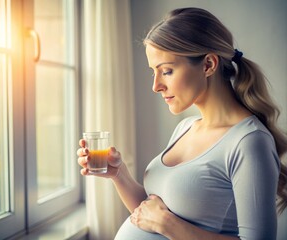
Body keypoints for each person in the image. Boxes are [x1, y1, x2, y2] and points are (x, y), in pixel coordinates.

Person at [77, 7, 287, 240]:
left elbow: (164, 222)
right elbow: (148, 216)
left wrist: (168, 224)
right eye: (153, 73)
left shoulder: (249, 142)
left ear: (208, 65)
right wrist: (119, 175)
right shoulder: (185, 127)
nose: (156, 86)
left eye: (166, 71)